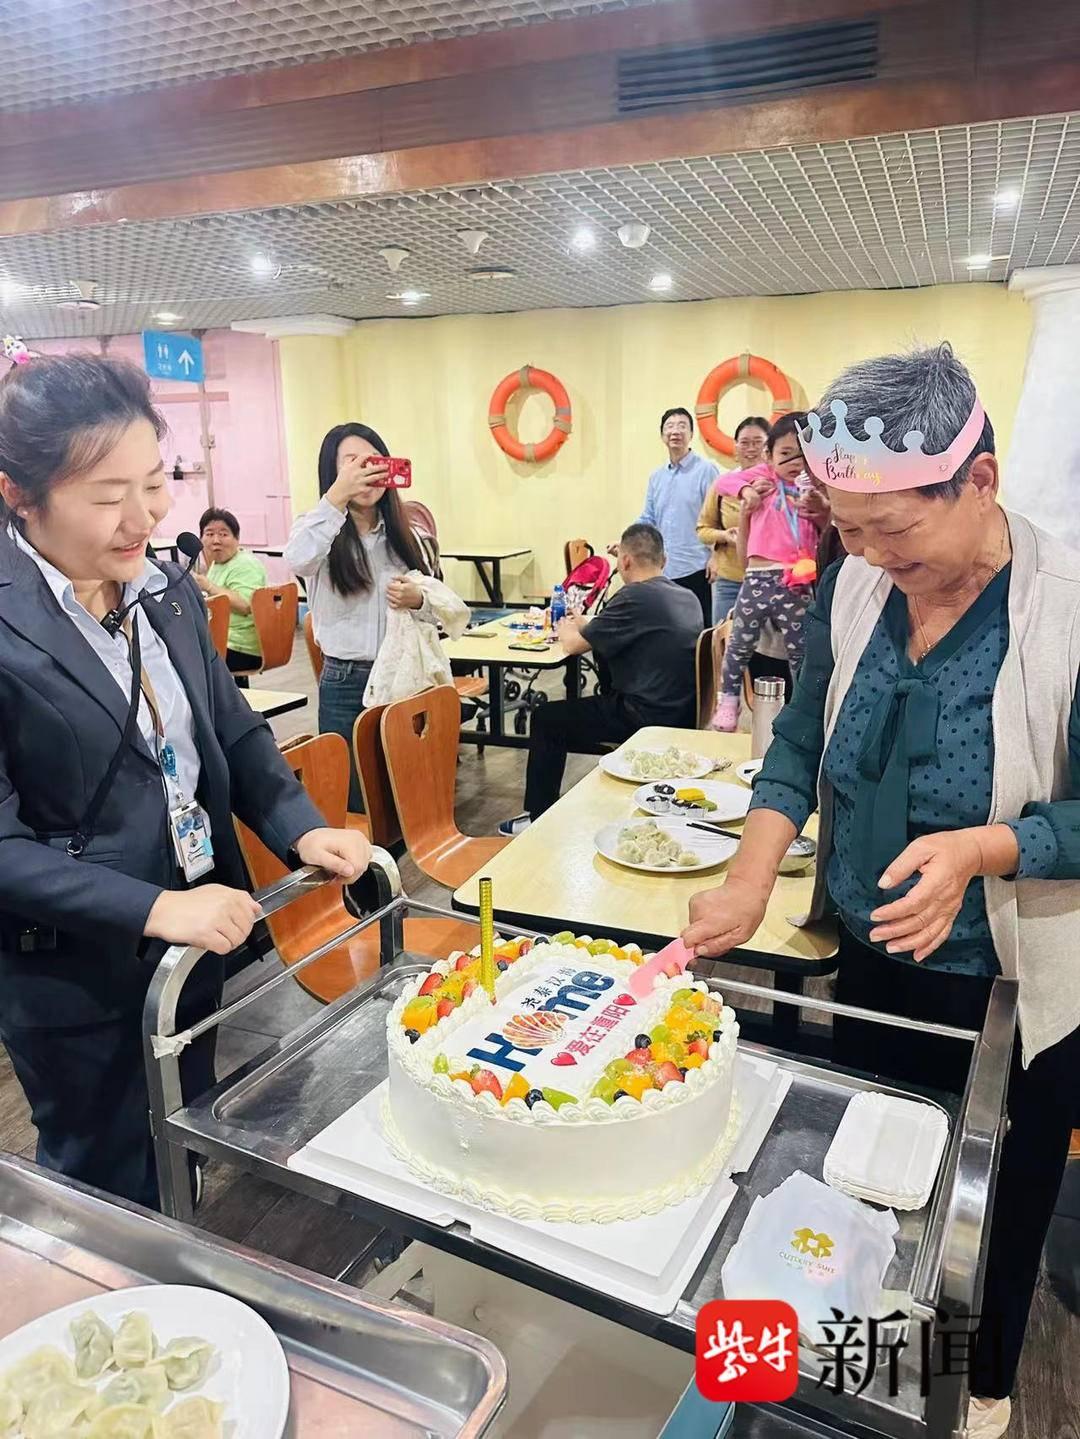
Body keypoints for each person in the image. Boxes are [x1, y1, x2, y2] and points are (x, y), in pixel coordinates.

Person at [682, 343, 1080, 1439]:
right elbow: (800, 739)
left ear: (979, 482)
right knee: (871, 1176)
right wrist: (749, 880)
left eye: (891, 528)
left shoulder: (1067, 608)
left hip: (1009, 985)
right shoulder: (857, 582)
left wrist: (985, 848)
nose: (865, 554)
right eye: (847, 528)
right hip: (871, 953)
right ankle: (871, 1367)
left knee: (988, 1215)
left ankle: (975, 1389)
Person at [0, 354, 371, 1210]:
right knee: (109, 1182)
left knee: (181, 1142)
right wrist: (154, 908)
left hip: (195, 939)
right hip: (81, 972)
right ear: (19, 494)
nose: (144, 517)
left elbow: (228, 727)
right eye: (107, 496)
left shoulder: (161, 587)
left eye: (154, 482)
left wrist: (299, 824)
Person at [500, 523, 701, 832]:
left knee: (546, 719)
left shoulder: (633, 596)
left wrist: (563, 624)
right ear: (664, 560)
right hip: (681, 711)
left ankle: (537, 820)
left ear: (625, 561)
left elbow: (572, 645)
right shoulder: (686, 596)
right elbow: (610, 627)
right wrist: (583, 622)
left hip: (644, 715)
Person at [284, 423, 436, 812]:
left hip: (403, 677)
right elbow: (297, 559)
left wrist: (419, 599)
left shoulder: (408, 535)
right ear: (333, 473)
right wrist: (337, 497)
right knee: (353, 803)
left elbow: (439, 608)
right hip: (345, 682)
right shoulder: (317, 529)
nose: (367, 472)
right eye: (353, 463)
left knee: (404, 798)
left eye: (375, 462)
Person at [710, 413, 825, 730]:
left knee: (800, 650)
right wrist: (747, 492)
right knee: (738, 643)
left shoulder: (815, 487)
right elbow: (724, 482)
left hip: (796, 580)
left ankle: (803, 709)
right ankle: (728, 701)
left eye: (803, 455)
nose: (795, 462)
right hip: (758, 577)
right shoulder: (763, 478)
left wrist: (820, 508)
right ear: (769, 456)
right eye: (786, 454)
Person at [637, 407, 717, 627]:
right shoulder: (657, 477)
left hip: (697, 568)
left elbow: (717, 517)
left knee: (698, 631)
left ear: (691, 434)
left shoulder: (706, 470)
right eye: (670, 426)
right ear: (662, 435)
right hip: (663, 570)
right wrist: (628, 542)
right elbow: (648, 518)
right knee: (668, 630)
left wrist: (716, 557)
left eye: (682, 426)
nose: (675, 431)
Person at [696, 416, 769, 624]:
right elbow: (702, 530)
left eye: (757, 442)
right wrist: (724, 536)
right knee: (723, 637)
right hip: (729, 581)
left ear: (769, 447)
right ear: (735, 448)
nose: (751, 449)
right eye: (744, 442)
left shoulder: (778, 485)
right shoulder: (722, 485)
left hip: (770, 580)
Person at [193, 507, 267, 677]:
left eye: (223, 534)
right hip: (221, 641)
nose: (216, 540)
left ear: (237, 538)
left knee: (183, 658)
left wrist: (208, 586)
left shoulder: (245, 565)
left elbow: (245, 605)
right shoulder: (218, 564)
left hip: (241, 648)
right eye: (209, 534)